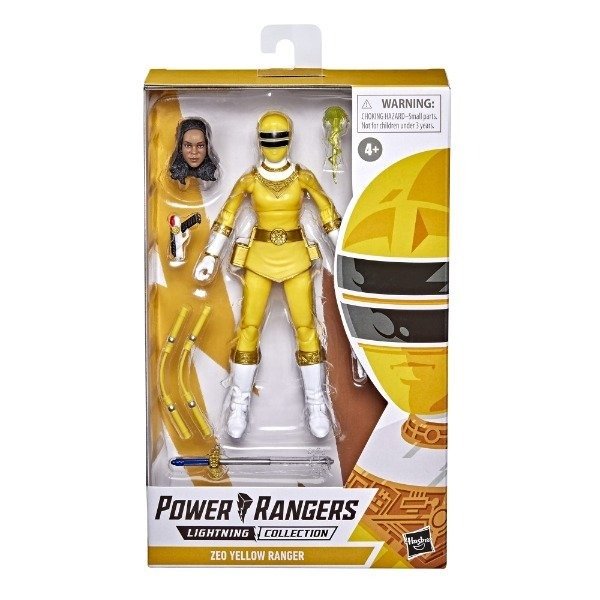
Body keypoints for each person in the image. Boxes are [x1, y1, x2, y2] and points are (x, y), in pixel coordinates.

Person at [195, 111, 341, 439]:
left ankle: (316, 402)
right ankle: (239, 402)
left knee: (306, 328)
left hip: (296, 257)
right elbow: (227, 217)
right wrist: (211, 254)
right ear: (259, 140)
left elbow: (327, 212)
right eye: (268, 139)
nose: (274, 145)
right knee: (248, 328)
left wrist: (344, 250)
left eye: (280, 139)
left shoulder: (303, 177)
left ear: (289, 138)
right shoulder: (249, 179)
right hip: (259, 258)